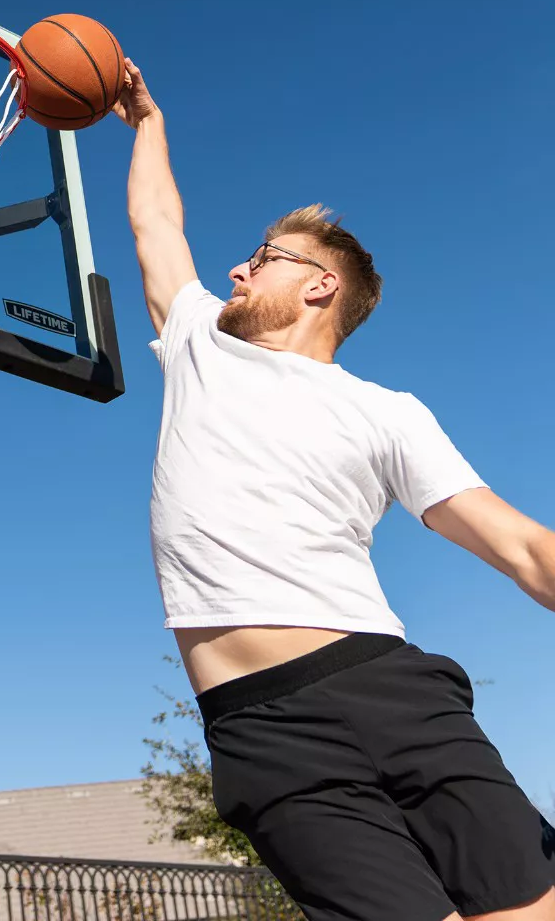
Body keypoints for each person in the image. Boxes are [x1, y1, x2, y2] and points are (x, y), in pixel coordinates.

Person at [115, 58, 555, 921]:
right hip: (265, 729)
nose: (237, 274)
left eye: (261, 259)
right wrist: (145, 121)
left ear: (322, 285)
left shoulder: (387, 413)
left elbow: (521, 547)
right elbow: (155, 224)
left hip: (393, 688)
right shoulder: (202, 345)